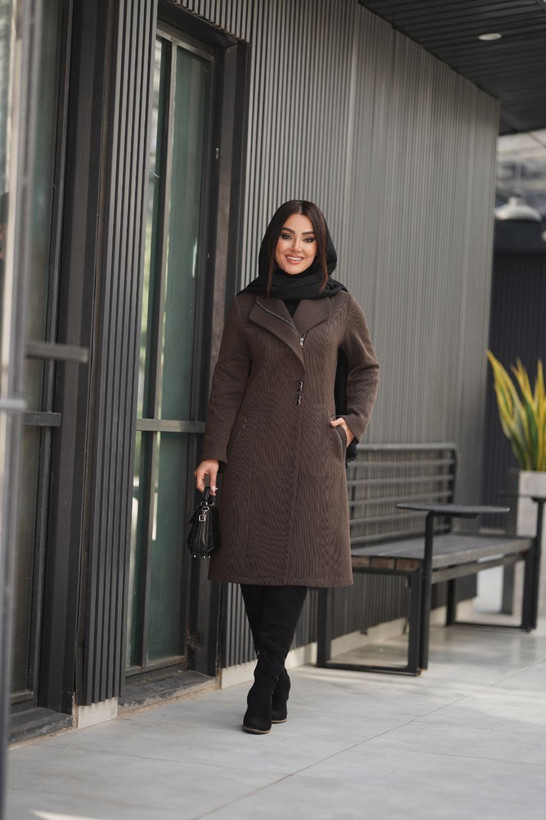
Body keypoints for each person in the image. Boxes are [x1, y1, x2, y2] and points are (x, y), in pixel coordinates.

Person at [194, 200, 379, 734]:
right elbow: (228, 382)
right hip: (254, 454)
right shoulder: (247, 304)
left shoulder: (341, 305)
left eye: (308, 238)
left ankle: (261, 685)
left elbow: (366, 369)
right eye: (287, 236)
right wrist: (213, 452)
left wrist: (351, 424)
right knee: (254, 569)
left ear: (321, 247)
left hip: (316, 456)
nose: (297, 247)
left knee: (296, 568)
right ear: (272, 242)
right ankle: (277, 677)